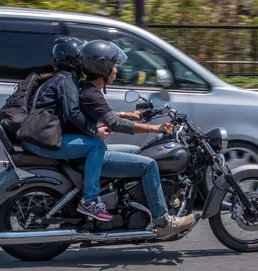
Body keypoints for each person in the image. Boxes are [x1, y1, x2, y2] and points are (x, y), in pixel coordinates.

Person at [67, 39, 197, 237]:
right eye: (113, 65)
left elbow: (106, 115)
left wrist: (130, 115)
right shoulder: (91, 94)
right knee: (148, 165)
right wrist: (156, 128)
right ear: (102, 68)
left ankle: (152, 198)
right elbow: (114, 124)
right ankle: (163, 221)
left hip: (88, 150)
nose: (116, 70)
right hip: (88, 155)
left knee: (136, 152)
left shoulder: (87, 90)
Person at [20, 37, 114, 222]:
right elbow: (72, 113)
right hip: (44, 141)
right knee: (97, 146)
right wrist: (94, 132)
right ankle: (90, 200)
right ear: (74, 60)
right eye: (81, 58)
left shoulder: (57, 78)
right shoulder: (67, 79)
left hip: (38, 138)